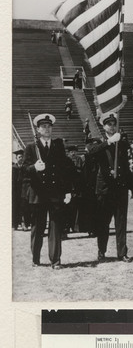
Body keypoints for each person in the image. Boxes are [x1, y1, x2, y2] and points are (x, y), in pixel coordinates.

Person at [22, 114, 73, 269]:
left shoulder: (58, 146)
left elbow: (64, 170)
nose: (47, 129)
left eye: (49, 126)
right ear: (38, 129)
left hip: (55, 193)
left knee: (55, 227)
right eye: (43, 126)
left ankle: (55, 260)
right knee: (38, 227)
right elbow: (23, 170)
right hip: (38, 193)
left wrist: (67, 191)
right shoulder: (31, 147)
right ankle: (36, 258)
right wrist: (34, 168)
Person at [86, 112, 133, 263]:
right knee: (103, 222)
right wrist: (108, 142)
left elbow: (126, 166)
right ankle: (101, 251)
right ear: (103, 126)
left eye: (114, 124)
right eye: (109, 124)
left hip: (120, 187)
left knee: (121, 222)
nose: (112, 127)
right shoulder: (98, 142)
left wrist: (132, 187)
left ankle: (122, 252)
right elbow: (91, 151)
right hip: (105, 188)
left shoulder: (122, 142)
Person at [12, 149, 28, 231]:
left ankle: (23, 223)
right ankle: (15, 224)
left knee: (23, 207)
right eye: (19, 157)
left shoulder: (25, 167)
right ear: (16, 158)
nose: (21, 158)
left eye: (22, 157)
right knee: (15, 207)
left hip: (23, 190)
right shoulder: (13, 168)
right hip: (15, 191)